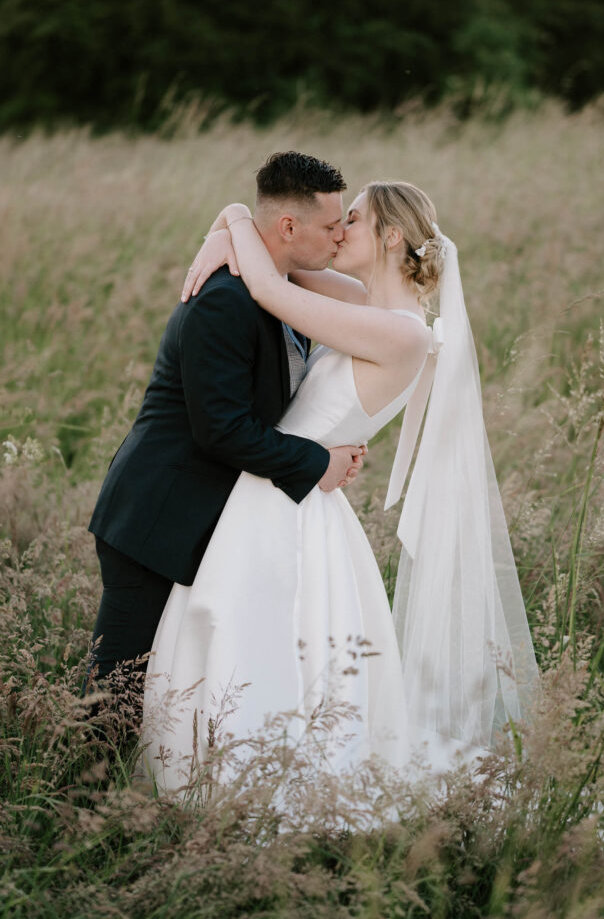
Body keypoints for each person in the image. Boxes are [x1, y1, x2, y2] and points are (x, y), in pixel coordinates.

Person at [138, 177, 540, 793]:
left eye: (352, 220)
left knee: (264, 647)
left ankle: (261, 785)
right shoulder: (361, 300)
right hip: (275, 489)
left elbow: (269, 286)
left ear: (390, 236)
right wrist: (232, 217)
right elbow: (272, 262)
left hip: (288, 504)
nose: (338, 231)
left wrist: (229, 223)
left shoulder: (403, 332)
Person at [84, 152, 366, 713]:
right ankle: (79, 796)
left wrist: (230, 218)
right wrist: (318, 463)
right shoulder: (225, 300)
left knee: (169, 685)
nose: (340, 237)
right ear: (289, 227)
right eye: (332, 226)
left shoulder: (276, 287)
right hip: (156, 519)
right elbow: (223, 429)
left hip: (201, 518)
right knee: (116, 693)